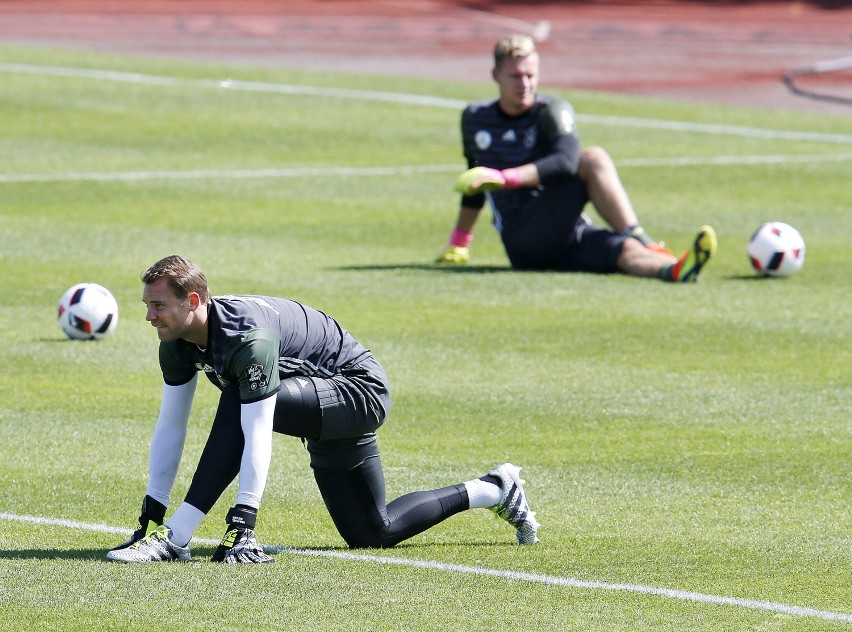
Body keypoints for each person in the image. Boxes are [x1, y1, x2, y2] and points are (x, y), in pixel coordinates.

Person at [107, 255, 539, 563]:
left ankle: (177, 537)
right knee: (373, 532)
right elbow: (171, 425)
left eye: (158, 305)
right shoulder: (176, 340)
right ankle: (493, 489)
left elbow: (257, 426)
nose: (149, 316)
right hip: (316, 399)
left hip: (357, 392)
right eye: (147, 304)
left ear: (194, 302)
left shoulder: (247, 339)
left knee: (240, 396)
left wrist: (243, 520)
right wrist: (152, 509)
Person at [435, 34, 717, 282]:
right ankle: (646, 241)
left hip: (567, 232)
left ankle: (675, 269)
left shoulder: (551, 110)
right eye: (516, 76)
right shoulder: (475, 118)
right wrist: (460, 241)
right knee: (593, 158)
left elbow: (566, 161)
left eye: (531, 76)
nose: (525, 84)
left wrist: (504, 177)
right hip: (524, 240)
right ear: (495, 75)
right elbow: (474, 184)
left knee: (623, 251)